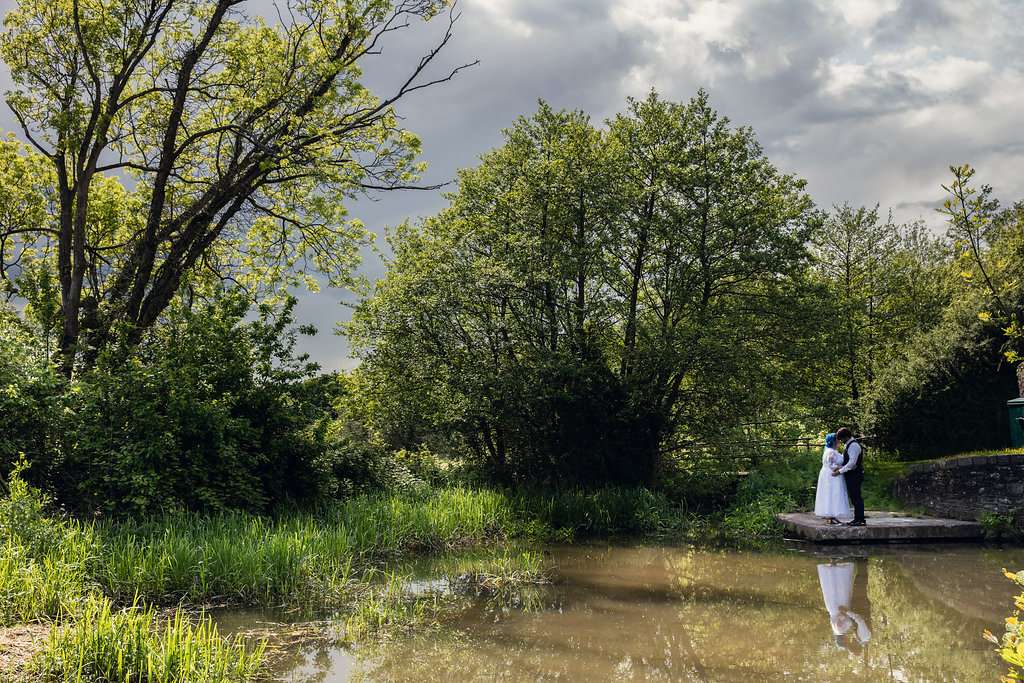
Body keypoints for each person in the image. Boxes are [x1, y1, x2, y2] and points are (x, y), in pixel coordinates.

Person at [814, 432, 852, 524]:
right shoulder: (830, 452)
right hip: (831, 475)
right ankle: (830, 516)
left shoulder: (833, 451)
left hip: (832, 474)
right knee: (831, 493)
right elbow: (830, 464)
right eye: (837, 439)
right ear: (834, 441)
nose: (839, 441)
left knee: (833, 494)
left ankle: (832, 516)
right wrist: (841, 468)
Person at [832, 427, 866, 526]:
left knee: (856, 497)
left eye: (841, 439)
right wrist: (840, 466)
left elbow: (852, 463)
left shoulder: (854, 446)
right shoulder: (848, 445)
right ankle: (857, 518)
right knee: (854, 497)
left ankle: (860, 519)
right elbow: (847, 462)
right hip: (851, 474)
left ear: (846, 437)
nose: (841, 441)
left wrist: (839, 471)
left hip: (855, 474)